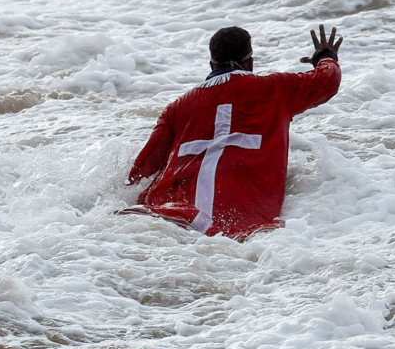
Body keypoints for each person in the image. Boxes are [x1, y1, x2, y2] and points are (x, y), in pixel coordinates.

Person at [124, 24, 343, 239]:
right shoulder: (275, 89)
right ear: (250, 62)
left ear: (211, 64)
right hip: (239, 224)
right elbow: (328, 80)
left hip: (171, 215)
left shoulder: (178, 107)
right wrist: (325, 57)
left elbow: (142, 170)